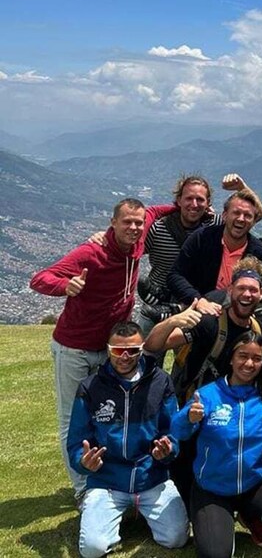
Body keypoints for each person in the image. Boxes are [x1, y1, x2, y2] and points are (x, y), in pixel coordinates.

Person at [29, 198, 169, 500]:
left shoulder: (138, 236)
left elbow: (157, 210)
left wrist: (193, 209)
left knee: (107, 414)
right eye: (126, 222)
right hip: (74, 348)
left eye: (138, 222)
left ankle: (107, 479)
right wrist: (65, 286)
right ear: (112, 223)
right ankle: (82, 490)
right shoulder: (92, 252)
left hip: (109, 348)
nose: (133, 227)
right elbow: (39, 279)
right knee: (72, 419)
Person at [145, 256, 262, 507]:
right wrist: (172, 321)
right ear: (230, 290)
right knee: (185, 467)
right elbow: (154, 345)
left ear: (261, 294)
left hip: (243, 406)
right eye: (241, 288)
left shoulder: (260, 329)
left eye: (253, 290)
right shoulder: (209, 323)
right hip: (201, 408)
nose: (247, 294)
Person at [171, 331, 262, 555]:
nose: (249, 363)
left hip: (252, 485)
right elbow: (178, 432)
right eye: (243, 356)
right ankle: (218, 521)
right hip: (212, 489)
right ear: (232, 358)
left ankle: (249, 514)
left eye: (257, 358)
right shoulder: (207, 395)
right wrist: (188, 419)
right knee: (216, 555)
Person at [66, 322, 189, 558]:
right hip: (107, 482)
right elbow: (75, 442)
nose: (125, 357)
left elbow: (172, 431)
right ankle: (118, 514)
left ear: (142, 349)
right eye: (118, 351)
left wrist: (168, 451)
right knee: (93, 549)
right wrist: (83, 462)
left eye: (132, 351)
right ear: (108, 349)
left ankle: (136, 511)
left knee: (176, 539)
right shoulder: (90, 387)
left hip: (151, 478)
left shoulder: (160, 381)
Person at [167, 189, 262, 317]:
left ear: (254, 221)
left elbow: (259, 290)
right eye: (236, 213)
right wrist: (198, 300)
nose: (241, 219)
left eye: (247, 215)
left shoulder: (260, 253)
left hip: (238, 313)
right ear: (224, 215)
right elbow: (175, 275)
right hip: (199, 307)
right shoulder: (202, 238)